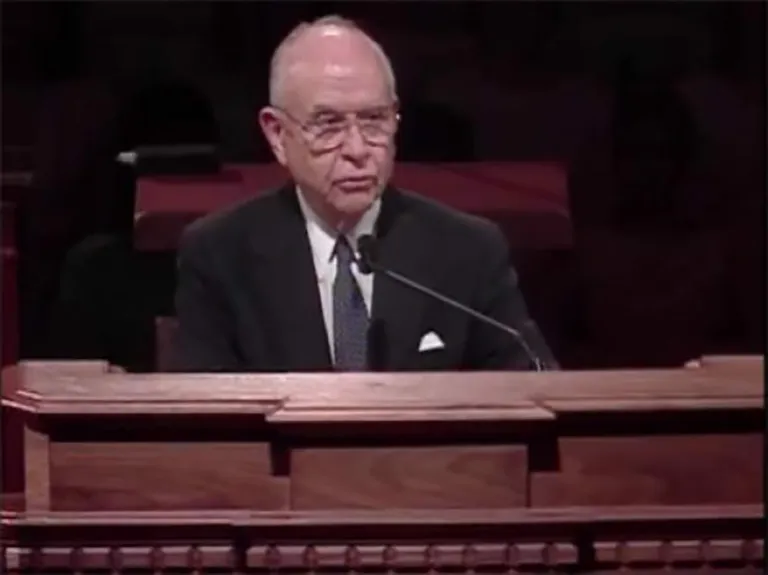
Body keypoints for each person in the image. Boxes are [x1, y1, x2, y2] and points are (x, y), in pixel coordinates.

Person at [171, 15, 555, 373]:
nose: (357, 150)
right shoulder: (220, 255)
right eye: (328, 124)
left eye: (374, 121)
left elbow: (534, 384)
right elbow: (205, 413)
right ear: (277, 134)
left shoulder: (468, 250)